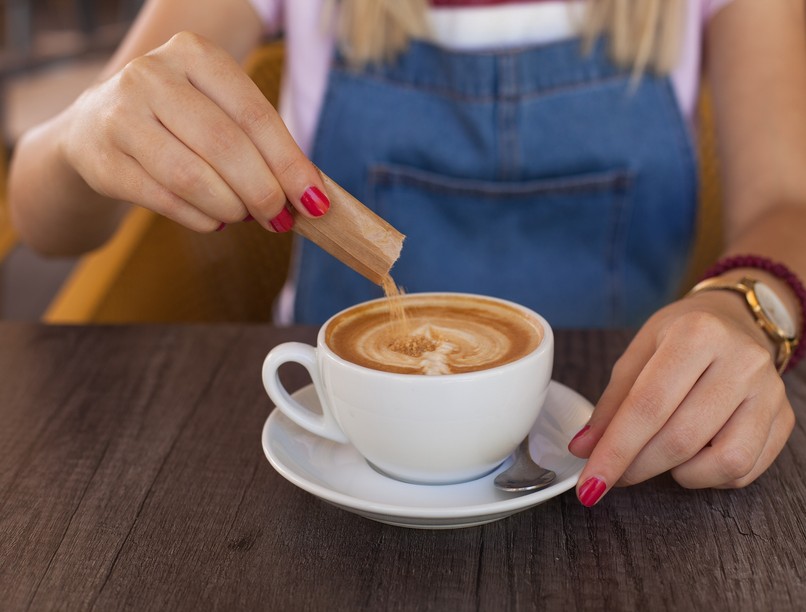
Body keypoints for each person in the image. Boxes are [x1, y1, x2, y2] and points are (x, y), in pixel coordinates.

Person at [7, 0, 806, 508]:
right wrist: (86, 131)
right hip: (336, 452)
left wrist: (748, 305)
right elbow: (46, 222)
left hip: (626, 441)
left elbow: (788, 201)